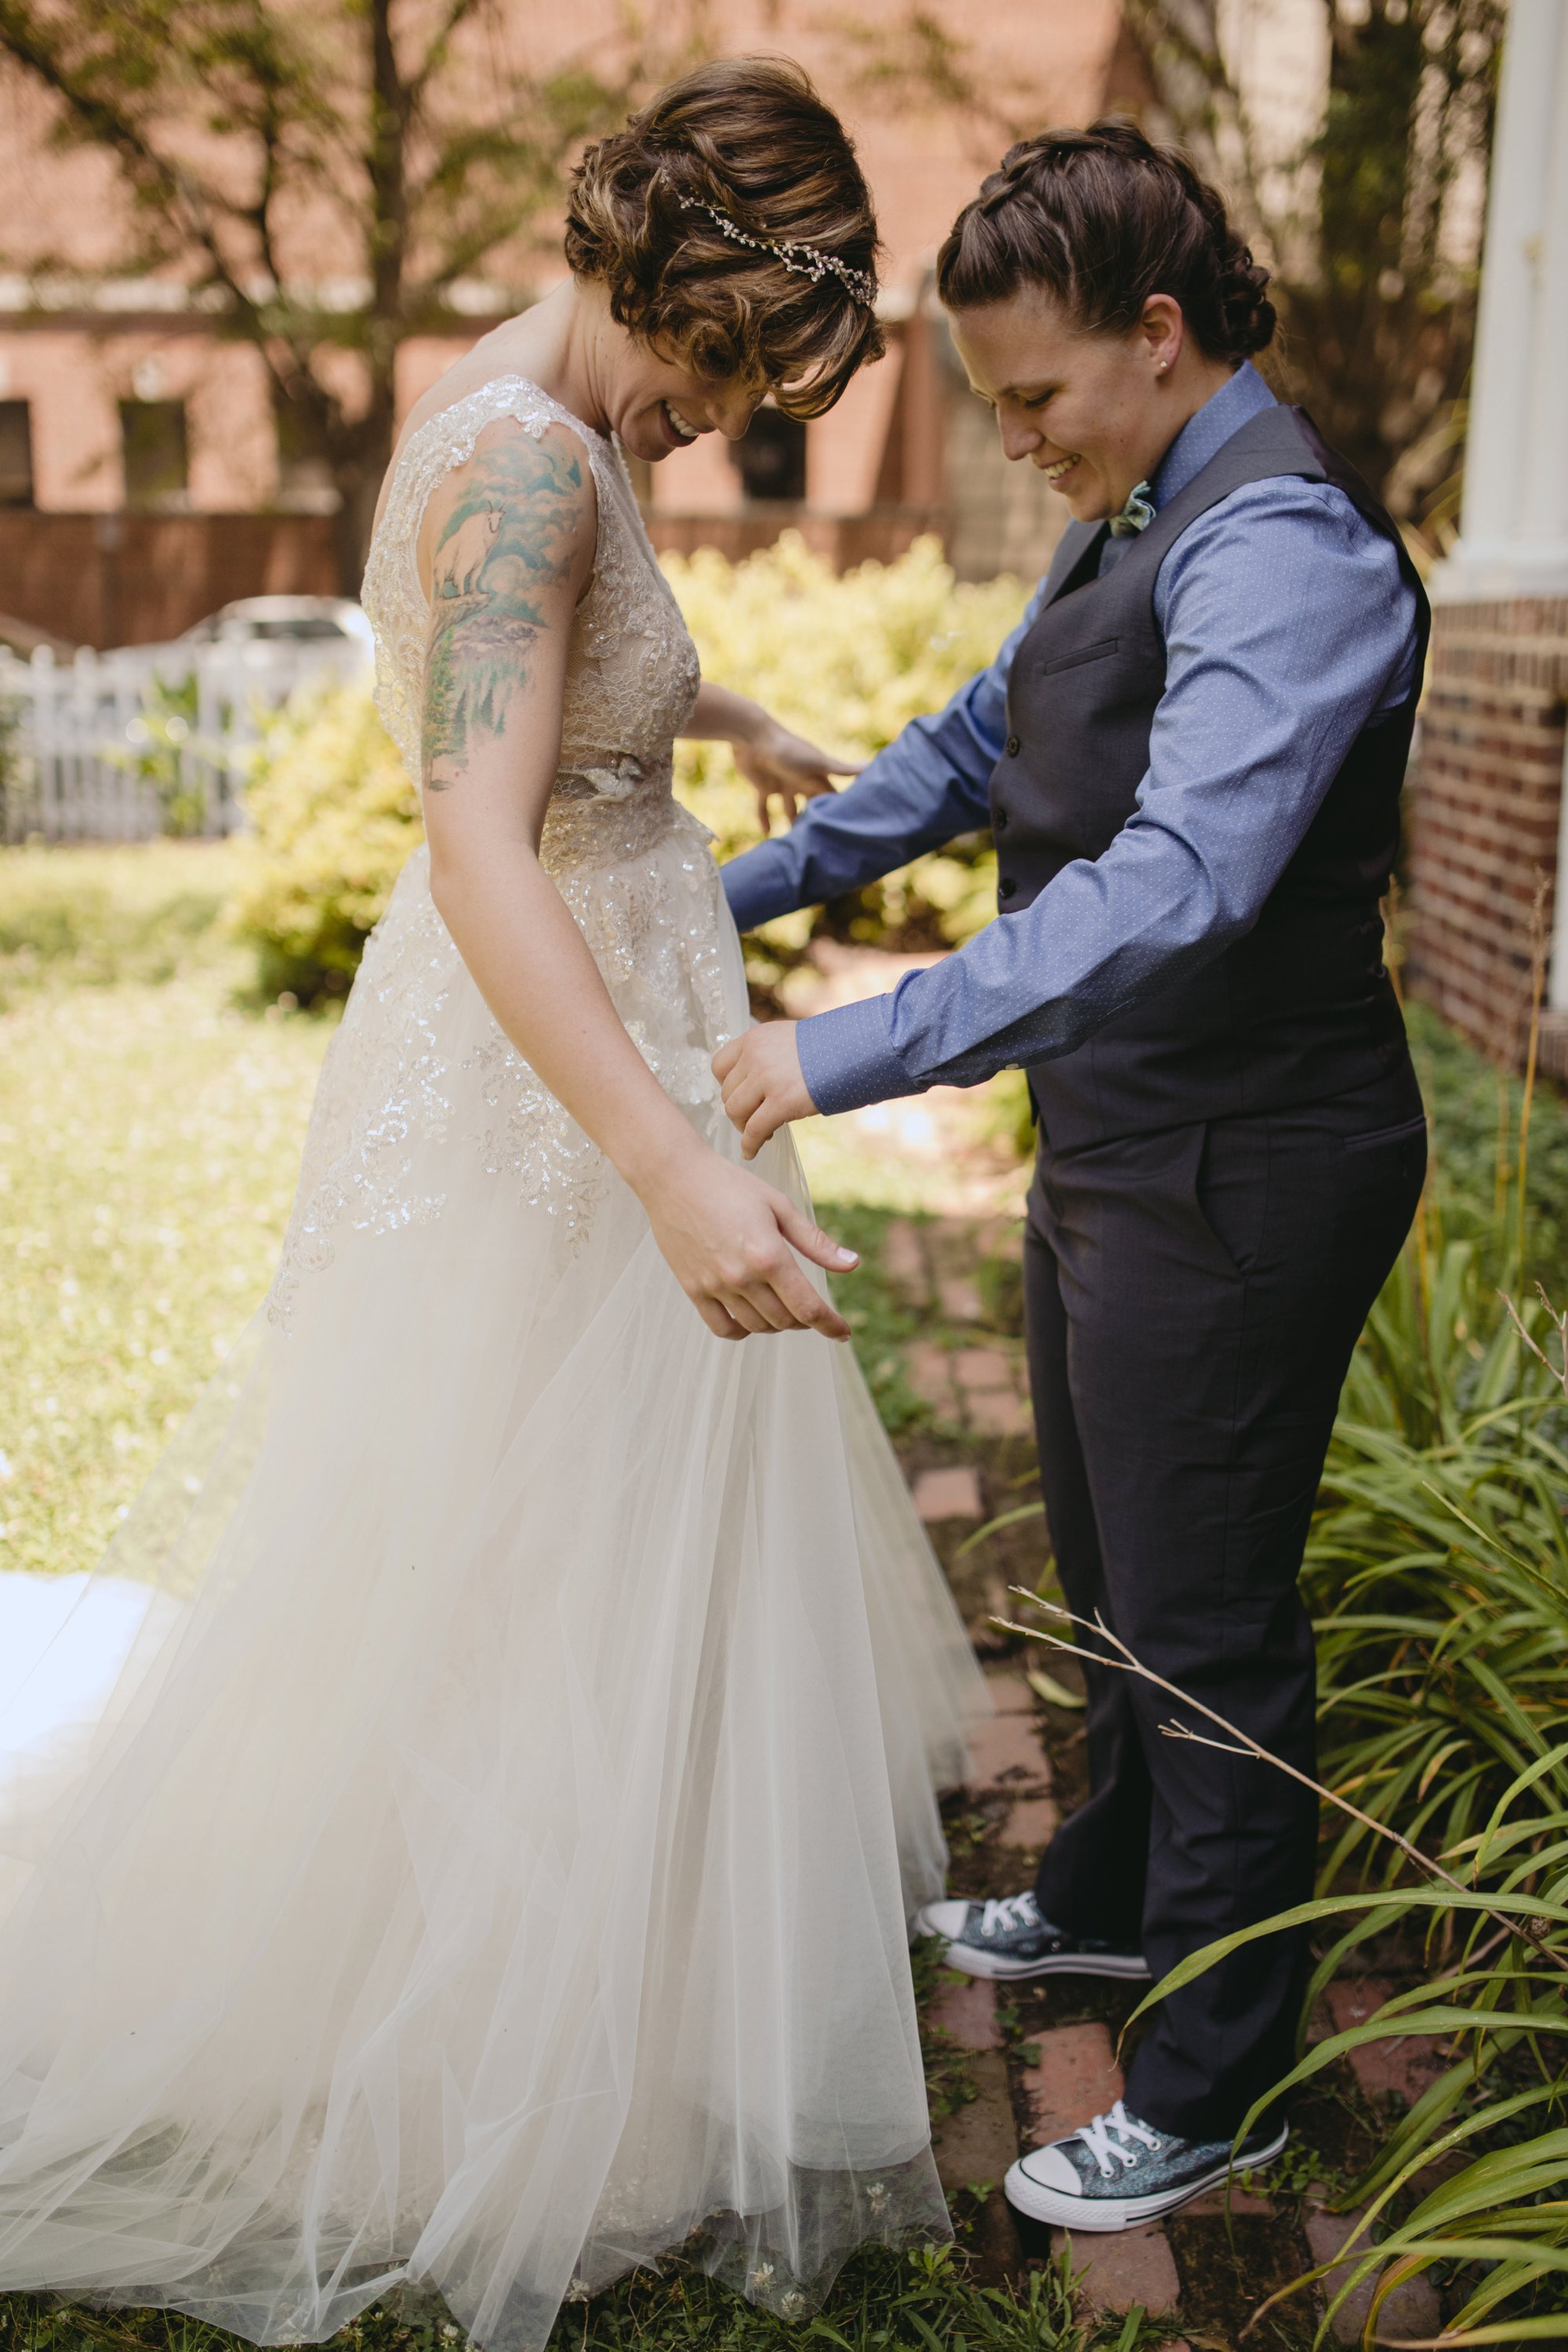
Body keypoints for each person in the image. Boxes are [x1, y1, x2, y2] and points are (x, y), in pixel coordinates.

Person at [0, 60, 984, 2349]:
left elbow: (544, 680)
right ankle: (492, 2061)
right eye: (740, 363)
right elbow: (475, 825)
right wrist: (663, 1161)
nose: (726, 413)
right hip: (558, 1073)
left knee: (593, 1540)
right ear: (698, 279)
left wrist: (714, 715)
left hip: (591, 1009)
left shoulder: (524, 401)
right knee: (519, 1542)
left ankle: (610, 1997)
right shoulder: (531, 467)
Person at [714, 119, 1428, 2233]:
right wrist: (708, 892)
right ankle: (1113, 1910)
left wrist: (839, 1047)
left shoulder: (1280, 548)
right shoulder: (1129, 515)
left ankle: (1216, 2082)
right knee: (1118, 1573)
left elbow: (1185, 880)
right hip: (1127, 1141)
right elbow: (969, 754)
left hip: (1246, 1158)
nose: (1014, 436)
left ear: (1158, 329)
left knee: (1207, 1626)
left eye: (1033, 394)